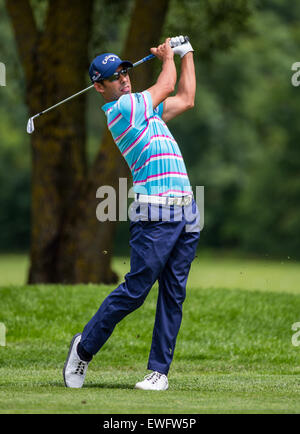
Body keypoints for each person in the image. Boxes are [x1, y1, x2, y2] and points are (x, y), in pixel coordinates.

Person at [63, 36, 200, 390]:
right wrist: (167, 56)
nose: (124, 78)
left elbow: (185, 98)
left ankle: (159, 372)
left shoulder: (146, 109)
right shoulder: (122, 110)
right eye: (115, 76)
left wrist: (186, 55)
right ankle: (84, 348)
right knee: (136, 291)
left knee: (174, 293)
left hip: (186, 210)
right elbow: (166, 84)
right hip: (155, 215)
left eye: (125, 71)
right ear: (99, 87)